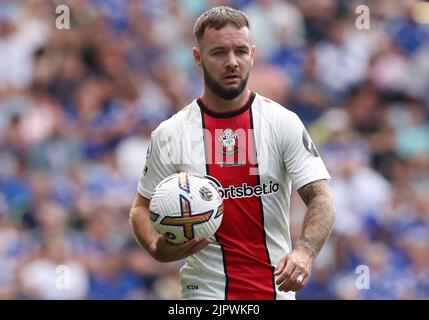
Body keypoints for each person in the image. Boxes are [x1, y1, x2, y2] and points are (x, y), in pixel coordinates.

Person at [129, 6, 335, 300]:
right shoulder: (171, 133)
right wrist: (154, 247)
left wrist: (305, 251)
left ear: (252, 53)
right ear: (198, 59)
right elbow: (140, 207)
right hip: (205, 294)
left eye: (240, 51)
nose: (232, 62)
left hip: (274, 293)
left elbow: (321, 196)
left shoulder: (281, 122)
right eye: (218, 53)